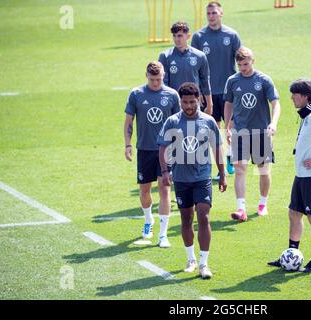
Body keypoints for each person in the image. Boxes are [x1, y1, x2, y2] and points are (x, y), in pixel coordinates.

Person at [267, 78, 311, 273]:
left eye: (295, 95)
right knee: (294, 214)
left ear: (305, 97)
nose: (291, 98)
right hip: (302, 175)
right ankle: (291, 255)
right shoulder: (308, 114)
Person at [158, 82, 227, 279]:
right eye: (185, 102)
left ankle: (204, 264)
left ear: (199, 100)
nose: (188, 106)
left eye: (192, 102)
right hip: (181, 178)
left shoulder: (208, 121)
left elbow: (217, 149)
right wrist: (165, 171)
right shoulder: (172, 122)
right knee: (186, 219)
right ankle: (191, 259)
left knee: (204, 216)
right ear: (180, 101)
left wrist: (222, 175)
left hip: (202, 177)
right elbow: (162, 148)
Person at [124, 61, 180, 248]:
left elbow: (179, 123)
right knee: (145, 191)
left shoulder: (172, 95)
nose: (156, 83)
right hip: (145, 150)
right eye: (152, 79)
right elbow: (129, 121)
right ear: (146, 76)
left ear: (163, 76)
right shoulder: (136, 94)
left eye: (159, 79)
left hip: (167, 150)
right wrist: (127, 144)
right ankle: (148, 220)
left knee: (165, 190)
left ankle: (163, 235)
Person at [223, 47, 281, 222]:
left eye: (246, 64)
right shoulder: (232, 81)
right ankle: (241, 209)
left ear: (253, 61)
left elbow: (276, 104)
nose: (243, 68)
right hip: (240, 132)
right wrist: (227, 127)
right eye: (240, 65)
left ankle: (263, 204)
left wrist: (273, 123)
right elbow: (228, 105)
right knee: (240, 170)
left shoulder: (264, 80)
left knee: (263, 170)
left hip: (261, 132)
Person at [191, 1, 242, 177]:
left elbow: (242, 61)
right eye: (209, 13)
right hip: (208, 93)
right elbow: (194, 66)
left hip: (229, 92)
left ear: (221, 13)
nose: (211, 16)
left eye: (214, 13)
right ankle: (217, 169)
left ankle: (230, 159)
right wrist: (198, 92)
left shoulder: (232, 35)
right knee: (213, 131)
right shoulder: (198, 37)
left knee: (230, 129)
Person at [158, 21, 213, 116]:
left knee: (192, 129)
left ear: (188, 36)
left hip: (193, 102)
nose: (176, 39)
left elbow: (205, 80)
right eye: (174, 36)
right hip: (173, 104)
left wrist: (209, 103)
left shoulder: (199, 56)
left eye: (179, 36)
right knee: (175, 130)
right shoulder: (165, 56)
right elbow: (163, 83)